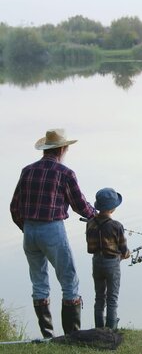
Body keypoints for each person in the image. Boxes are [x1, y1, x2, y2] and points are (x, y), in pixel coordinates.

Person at [10, 128, 96, 338]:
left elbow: (14, 206)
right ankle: (71, 336)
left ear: (46, 149)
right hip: (52, 229)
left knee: (39, 283)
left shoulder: (27, 170)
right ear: (63, 149)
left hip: (29, 231)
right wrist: (96, 216)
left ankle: (48, 335)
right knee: (69, 280)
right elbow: (80, 205)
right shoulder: (65, 173)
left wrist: (27, 227)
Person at [86, 187, 130, 330]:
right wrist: (126, 254)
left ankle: (99, 329)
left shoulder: (90, 223)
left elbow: (91, 245)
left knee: (99, 298)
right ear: (113, 208)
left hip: (96, 262)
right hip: (112, 264)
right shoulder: (117, 226)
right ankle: (111, 330)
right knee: (112, 298)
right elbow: (124, 249)